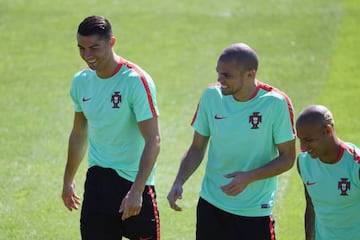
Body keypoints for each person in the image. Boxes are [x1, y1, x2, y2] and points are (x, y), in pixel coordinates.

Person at [167, 42, 296, 240]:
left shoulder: (275, 104)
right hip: (211, 205)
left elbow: (287, 157)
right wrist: (179, 180)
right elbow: (197, 147)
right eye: (218, 73)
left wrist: (249, 177)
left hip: (253, 211)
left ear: (250, 75)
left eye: (227, 75)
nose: (220, 80)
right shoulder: (212, 96)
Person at [61, 16, 161, 240]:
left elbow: (153, 139)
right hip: (98, 182)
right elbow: (79, 133)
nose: (87, 56)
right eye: (81, 48)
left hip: (134, 183)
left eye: (94, 48)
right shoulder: (81, 81)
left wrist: (136, 191)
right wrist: (68, 180)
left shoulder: (135, 81)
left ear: (111, 42)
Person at [296, 105, 360, 240]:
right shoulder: (303, 163)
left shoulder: (355, 165)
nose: (303, 147)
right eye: (300, 140)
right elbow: (311, 206)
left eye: (308, 140)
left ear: (328, 130)